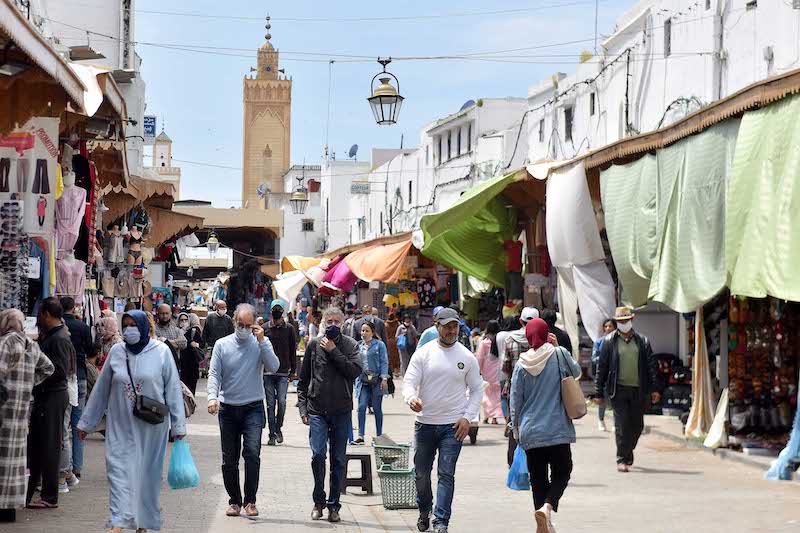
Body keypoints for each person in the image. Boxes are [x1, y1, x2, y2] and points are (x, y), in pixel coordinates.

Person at [77, 310, 187, 532]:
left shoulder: (162, 352)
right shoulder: (117, 352)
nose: (129, 330)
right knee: (118, 472)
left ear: (144, 327)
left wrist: (178, 426)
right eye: (125, 325)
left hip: (151, 428)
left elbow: (173, 390)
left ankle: (142, 521)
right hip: (120, 425)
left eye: (133, 325)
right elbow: (101, 390)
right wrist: (86, 424)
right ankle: (119, 521)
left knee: (146, 476)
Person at [402, 308, 483, 533]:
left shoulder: (466, 357)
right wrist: (411, 398)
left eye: (454, 326)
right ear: (436, 326)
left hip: (453, 427)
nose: (451, 330)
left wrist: (468, 418)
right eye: (447, 326)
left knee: (446, 474)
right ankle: (424, 509)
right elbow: (408, 382)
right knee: (421, 473)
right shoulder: (424, 353)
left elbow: (477, 390)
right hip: (425, 424)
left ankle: (441, 522)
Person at [207, 303, 279, 518]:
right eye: (241, 324)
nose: (244, 329)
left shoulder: (260, 344)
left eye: (248, 325)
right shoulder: (222, 345)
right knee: (229, 459)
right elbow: (214, 374)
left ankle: (250, 501)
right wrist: (212, 397)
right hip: (228, 409)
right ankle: (234, 501)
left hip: (253, 408)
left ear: (255, 325)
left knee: (252, 454)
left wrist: (263, 341)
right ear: (234, 322)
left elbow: (274, 367)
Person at [510, 318, 581, 533]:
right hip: (557, 429)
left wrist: (515, 428)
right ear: (547, 333)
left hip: (531, 432)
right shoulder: (558, 354)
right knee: (563, 471)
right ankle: (548, 508)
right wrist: (559, 347)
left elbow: (515, 399)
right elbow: (576, 372)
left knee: (538, 479)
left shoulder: (521, 364)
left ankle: (544, 522)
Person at [297, 307, 362, 523]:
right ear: (323, 322)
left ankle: (334, 505)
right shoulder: (314, 344)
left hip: (341, 411)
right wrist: (303, 408)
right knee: (317, 455)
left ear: (343, 323)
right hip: (317, 410)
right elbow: (303, 379)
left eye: (337, 321)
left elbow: (354, 371)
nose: (332, 324)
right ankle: (318, 501)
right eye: (329, 320)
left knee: (338, 459)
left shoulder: (350, 345)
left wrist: (334, 350)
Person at [0, 309, 54, 523]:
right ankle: (10, 508)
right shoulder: (32, 345)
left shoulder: (5, 343)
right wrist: (29, 383)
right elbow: (48, 368)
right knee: (15, 460)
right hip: (22, 411)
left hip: (3, 410)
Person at [595, 307, 660, 472]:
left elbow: (652, 366)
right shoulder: (609, 342)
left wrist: (655, 389)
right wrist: (598, 392)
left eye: (625, 320)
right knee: (622, 424)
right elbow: (601, 368)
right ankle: (622, 458)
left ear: (632, 319)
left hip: (639, 390)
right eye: (620, 321)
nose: (623, 324)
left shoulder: (642, 341)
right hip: (618, 390)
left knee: (637, 426)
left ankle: (628, 451)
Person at [26, 298, 74, 509]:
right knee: (37, 446)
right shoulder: (54, 336)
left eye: (40, 314)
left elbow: (59, 371)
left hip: (53, 396)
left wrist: (35, 377)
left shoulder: (59, 338)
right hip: (47, 396)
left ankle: (49, 495)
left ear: (46, 314)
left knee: (49, 446)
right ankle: (29, 493)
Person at [60, 297, 92, 481]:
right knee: (78, 424)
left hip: (63, 379)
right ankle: (77, 467)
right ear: (74, 308)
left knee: (64, 426)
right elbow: (90, 350)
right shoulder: (82, 327)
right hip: (79, 377)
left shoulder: (57, 328)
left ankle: (66, 469)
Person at [264, 300, 297, 446]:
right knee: (270, 405)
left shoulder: (289, 329)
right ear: (270, 311)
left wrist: (293, 371)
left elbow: (292, 350)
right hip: (268, 373)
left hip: (283, 372)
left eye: (279, 309)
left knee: (282, 403)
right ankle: (271, 434)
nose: (276, 311)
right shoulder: (264, 328)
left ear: (282, 311)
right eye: (274, 309)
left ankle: (278, 428)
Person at [354, 322, 389, 444]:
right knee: (361, 407)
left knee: (377, 408)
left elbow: (384, 361)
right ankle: (361, 435)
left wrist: (384, 378)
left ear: (372, 332)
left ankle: (379, 435)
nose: (364, 333)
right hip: (363, 381)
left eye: (367, 331)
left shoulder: (379, 345)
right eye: (362, 331)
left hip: (376, 380)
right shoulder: (358, 345)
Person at [475, 320, 504, 425]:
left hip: (487, 370)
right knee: (497, 394)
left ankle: (488, 416)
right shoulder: (501, 341)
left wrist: (477, 370)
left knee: (487, 394)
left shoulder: (484, 342)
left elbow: (480, 358)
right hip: (499, 370)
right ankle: (495, 417)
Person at [592, 318, 617, 432]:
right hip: (603, 375)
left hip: (616, 375)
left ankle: (615, 423)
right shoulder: (599, 342)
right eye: (606, 326)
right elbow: (594, 358)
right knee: (602, 398)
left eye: (610, 326)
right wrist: (604, 360)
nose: (608, 328)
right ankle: (601, 420)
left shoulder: (618, 341)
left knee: (615, 401)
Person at [178, 313, 205, 395]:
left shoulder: (193, 332)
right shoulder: (175, 331)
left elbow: (202, 344)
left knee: (190, 392)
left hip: (192, 367)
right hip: (179, 365)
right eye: (181, 320)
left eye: (185, 320)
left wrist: (195, 344)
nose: (183, 322)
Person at [155, 304, 187, 372]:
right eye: (162, 313)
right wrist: (175, 343)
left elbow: (183, 343)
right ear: (157, 314)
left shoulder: (176, 330)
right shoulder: (153, 330)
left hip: (174, 367)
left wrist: (164, 341)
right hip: (157, 367)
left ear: (170, 314)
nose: (164, 316)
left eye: (167, 313)